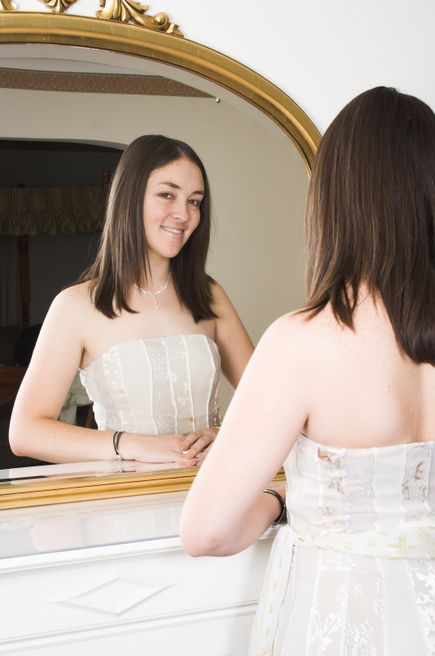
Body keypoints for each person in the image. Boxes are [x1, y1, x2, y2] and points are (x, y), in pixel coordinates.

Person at [180, 87, 435, 654]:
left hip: (342, 619)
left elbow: (206, 532)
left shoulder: (303, 341)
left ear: (335, 198)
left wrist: (280, 502)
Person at [9, 135, 253, 466]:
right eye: (167, 195)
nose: (183, 214)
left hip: (212, 487)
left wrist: (223, 433)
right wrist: (131, 444)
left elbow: (267, 400)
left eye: (194, 201)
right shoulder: (76, 306)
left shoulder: (209, 295)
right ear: (130, 198)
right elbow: (25, 432)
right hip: (126, 496)